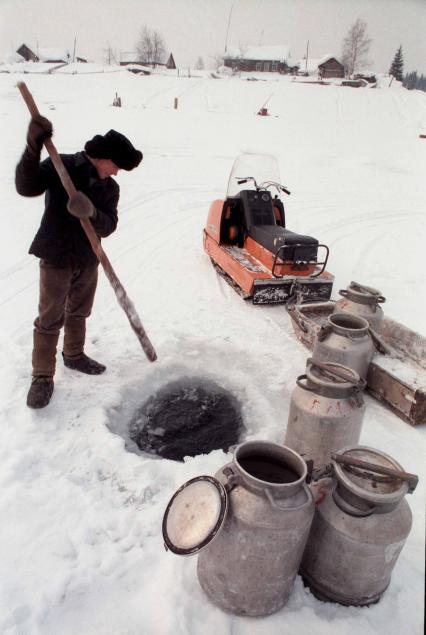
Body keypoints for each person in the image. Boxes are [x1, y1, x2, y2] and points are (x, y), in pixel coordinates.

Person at [15, 117, 143, 409]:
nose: (117, 172)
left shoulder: (110, 189)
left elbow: (109, 225)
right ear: (104, 158)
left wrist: (93, 213)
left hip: (88, 257)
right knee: (49, 319)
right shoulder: (64, 167)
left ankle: (73, 355)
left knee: (79, 312)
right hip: (56, 255)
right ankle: (42, 377)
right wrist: (33, 147)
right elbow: (26, 186)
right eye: (116, 166)